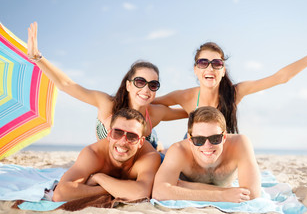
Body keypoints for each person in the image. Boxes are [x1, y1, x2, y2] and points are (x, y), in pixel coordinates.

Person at [27, 22, 188, 149]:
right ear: (128, 85)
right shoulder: (107, 103)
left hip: (144, 149)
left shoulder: (155, 113)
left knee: (154, 148)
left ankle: (158, 145)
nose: (145, 89)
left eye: (153, 85)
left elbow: (189, 112)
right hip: (115, 155)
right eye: (140, 82)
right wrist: (38, 58)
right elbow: (67, 84)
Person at [153, 39, 307, 133]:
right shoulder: (184, 96)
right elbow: (149, 102)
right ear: (195, 69)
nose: (210, 67)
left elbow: (280, 78)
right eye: (203, 62)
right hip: (195, 146)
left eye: (216, 63)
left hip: (222, 147)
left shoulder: (234, 93)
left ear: (223, 70)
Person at [152, 106, 261, 202]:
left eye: (215, 138)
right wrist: (221, 195)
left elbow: (252, 194)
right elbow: (159, 192)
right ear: (190, 139)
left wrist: (185, 186)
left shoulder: (240, 144)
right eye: (199, 140)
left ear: (224, 137)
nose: (207, 145)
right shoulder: (178, 150)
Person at [53, 108, 161, 202]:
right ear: (109, 134)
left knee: (163, 156)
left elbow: (140, 194)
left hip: (155, 151)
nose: (123, 142)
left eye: (132, 136)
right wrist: (113, 189)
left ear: (141, 142)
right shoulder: (93, 154)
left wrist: (99, 178)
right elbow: (60, 194)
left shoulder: (149, 156)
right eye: (117, 133)